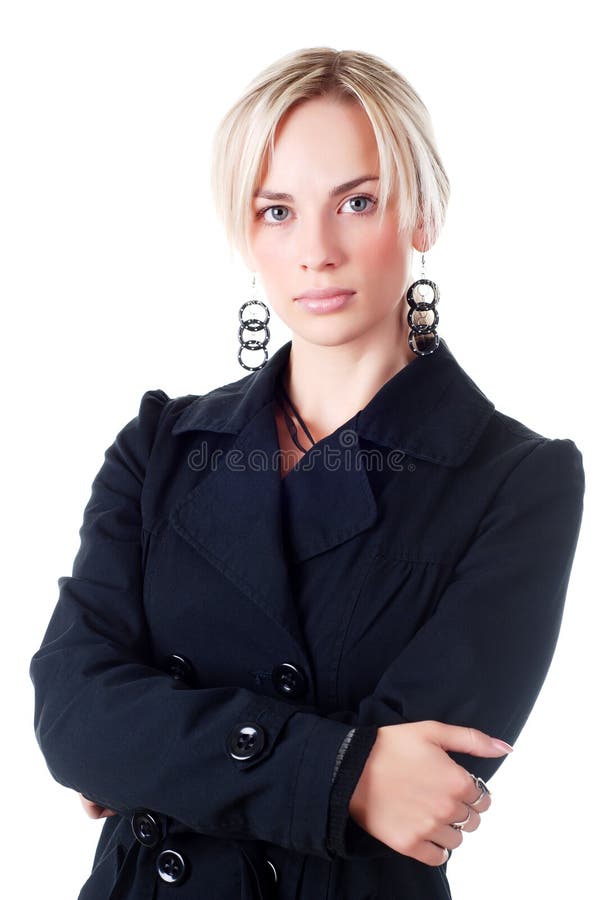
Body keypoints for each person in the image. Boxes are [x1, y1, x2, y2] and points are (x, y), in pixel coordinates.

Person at [29, 47, 585, 900]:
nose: (316, 251)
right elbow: (71, 715)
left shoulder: (519, 481)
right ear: (244, 231)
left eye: (356, 202)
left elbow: (423, 790)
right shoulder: (159, 446)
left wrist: (163, 757)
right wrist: (341, 775)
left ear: (421, 214)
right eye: (277, 210)